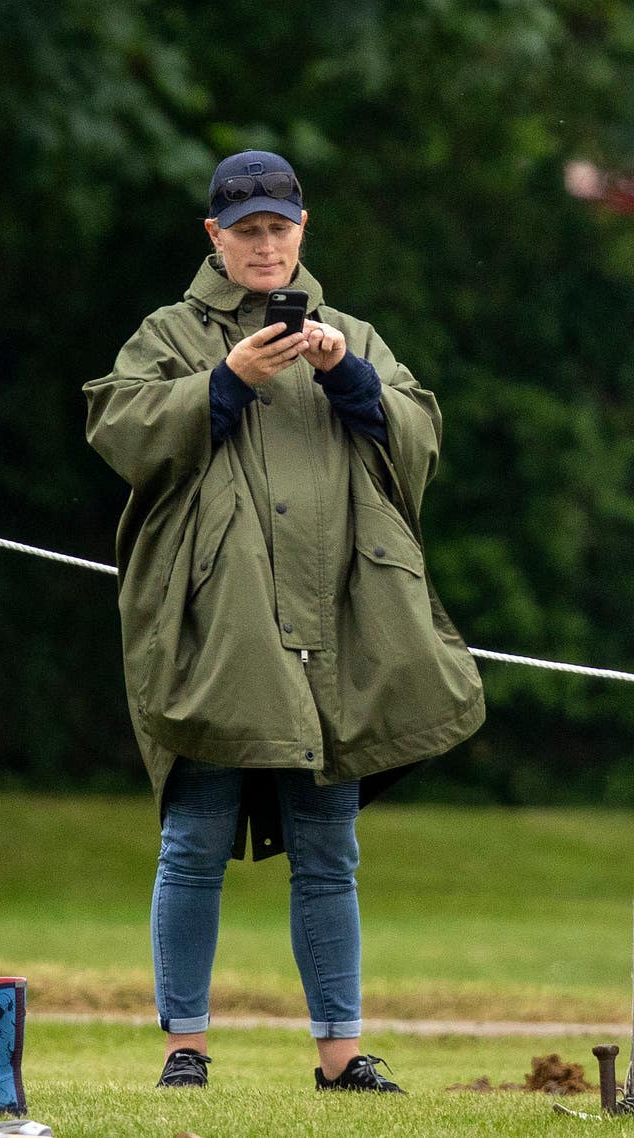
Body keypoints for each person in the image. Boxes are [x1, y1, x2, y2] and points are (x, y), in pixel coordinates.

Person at [83, 150, 485, 1094]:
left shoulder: (352, 332)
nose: (265, 245)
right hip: (220, 631)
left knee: (327, 845)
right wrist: (223, 382)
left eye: (279, 228)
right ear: (215, 239)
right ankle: (185, 1049)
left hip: (339, 629)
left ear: (302, 230)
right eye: (246, 230)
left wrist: (350, 379)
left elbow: (421, 432)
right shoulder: (169, 334)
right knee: (194, 836)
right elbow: (118, 428)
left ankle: (341, 1058)